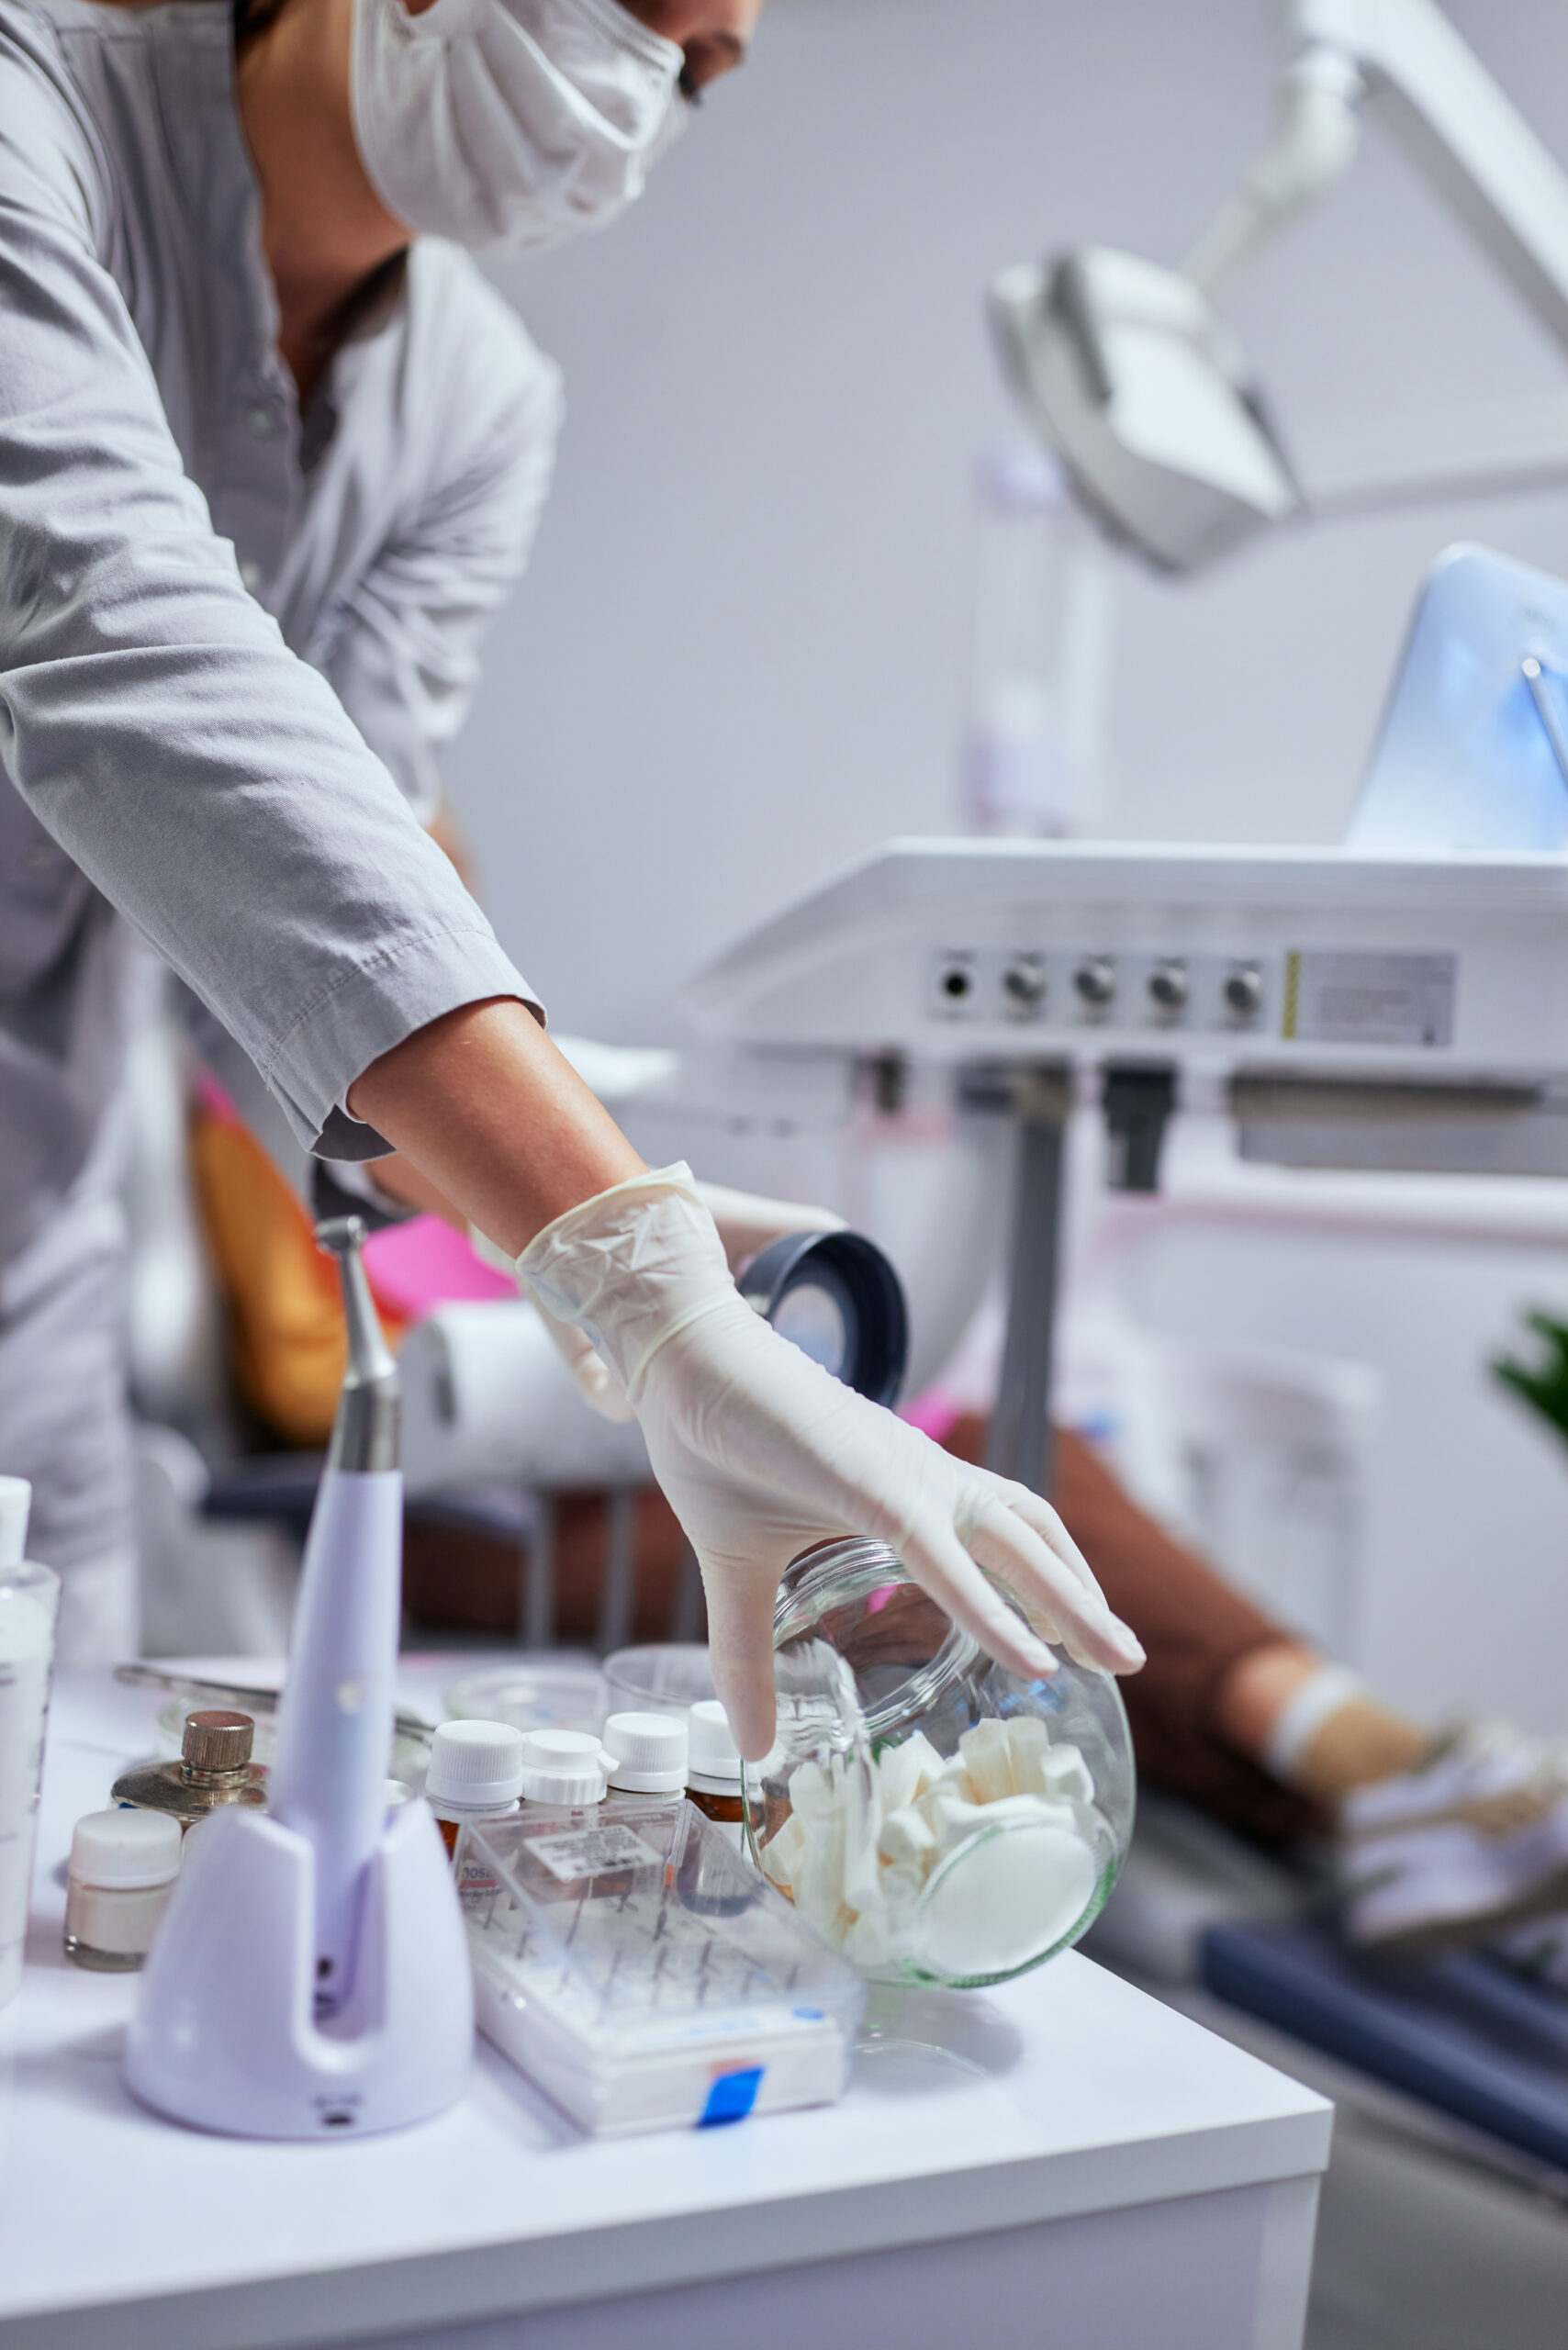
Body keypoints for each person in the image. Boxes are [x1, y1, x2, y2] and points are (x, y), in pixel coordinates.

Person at [0, 0, 1144, 1738]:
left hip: (31, 1294)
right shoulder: (35, 109)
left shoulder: (474, 410)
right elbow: (115, 650)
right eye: (643, 12)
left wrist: (588, 1209)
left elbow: (280, 965)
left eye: (704, 71)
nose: (657, 87)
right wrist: (630, 1276)